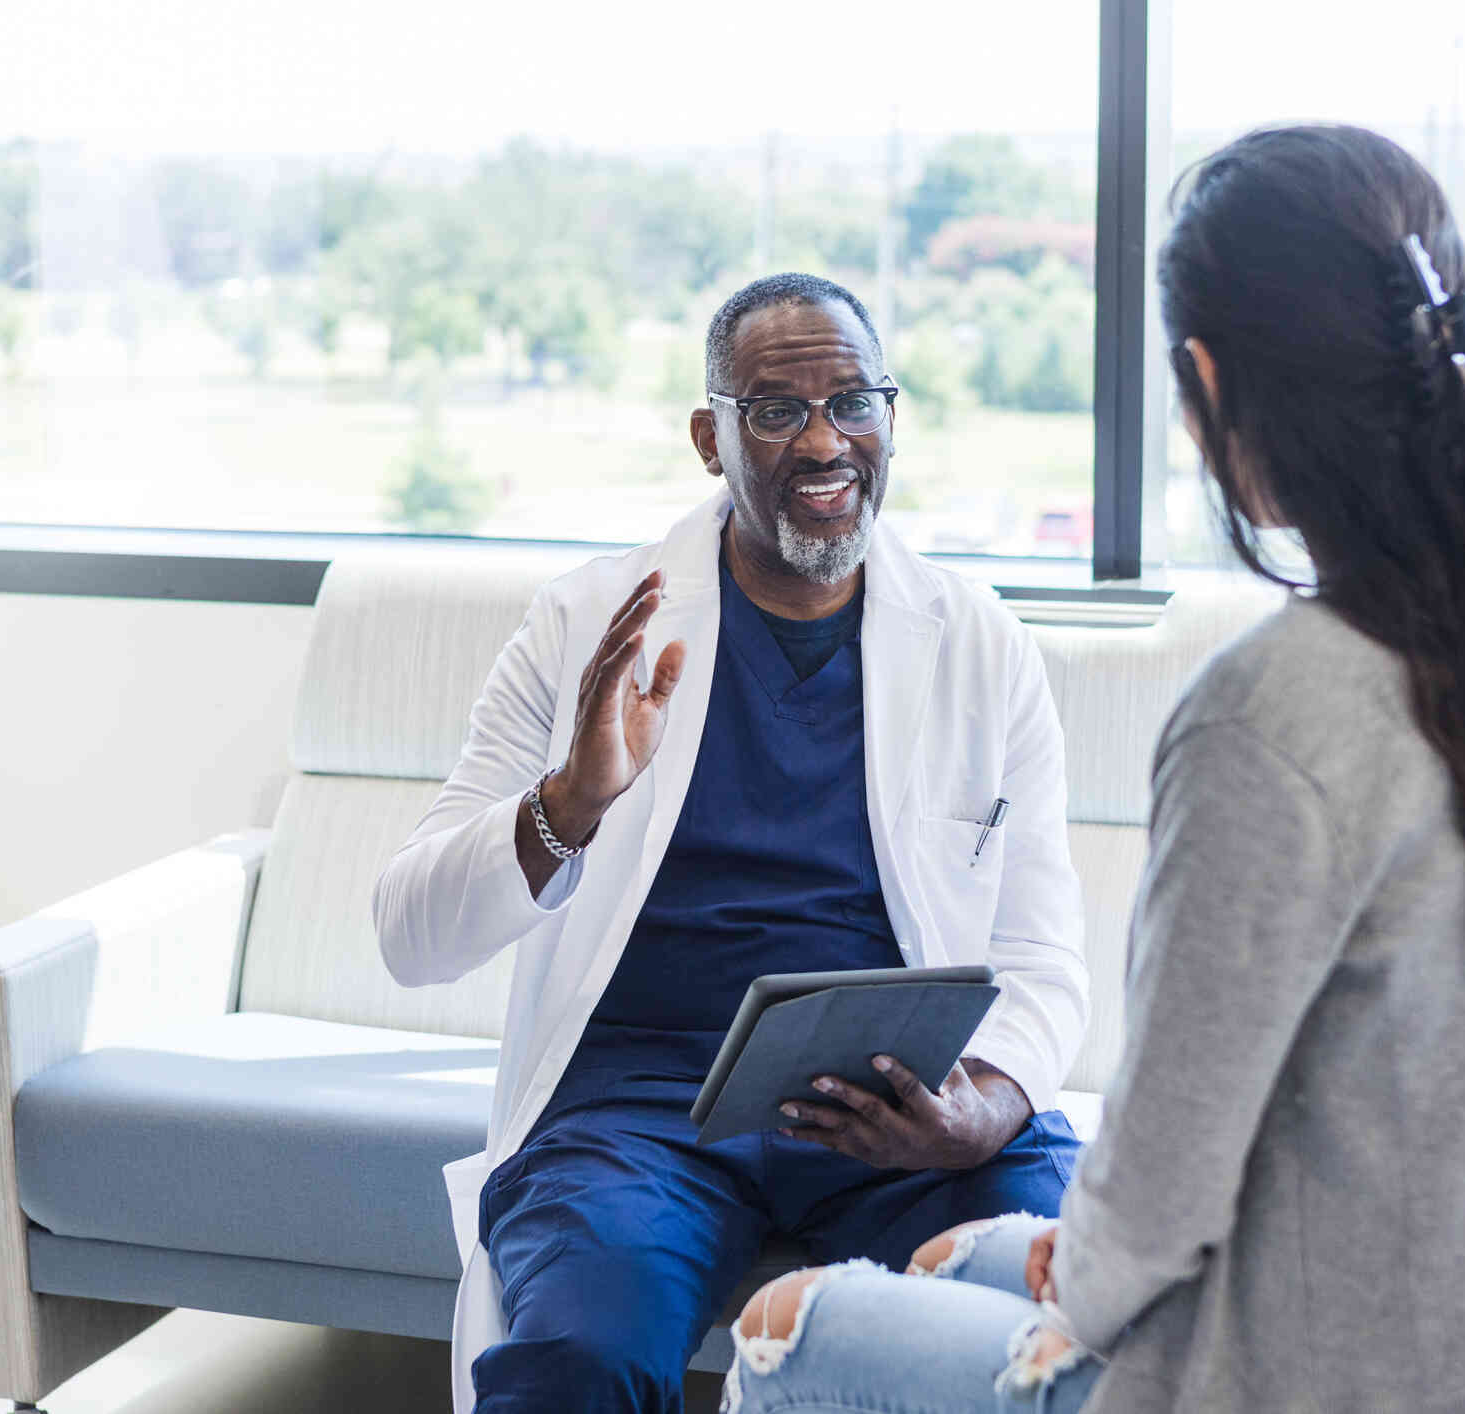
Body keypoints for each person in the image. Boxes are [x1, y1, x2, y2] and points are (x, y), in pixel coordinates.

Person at [721, 125, 1465, 1414]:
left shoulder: (1272, 713)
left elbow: (1162, 1189)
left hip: (1362, 1386)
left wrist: (1074, 1274)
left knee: (787, 1326)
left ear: (1204, 379)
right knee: (954, 1252)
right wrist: (1051, 1261)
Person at [371, 271, 1090, 1414]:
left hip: (898, 1110)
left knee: (1082, 1305)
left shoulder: (980, 643)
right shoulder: (587, 627)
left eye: (854, 402)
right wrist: (571, 800)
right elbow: (409, 935)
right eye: (775, 410)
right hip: (640, 1116)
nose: (824, 442)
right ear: (710, 438)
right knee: (580, 1361)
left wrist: (985, 1109)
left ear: (892, 420)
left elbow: (1045, 960)